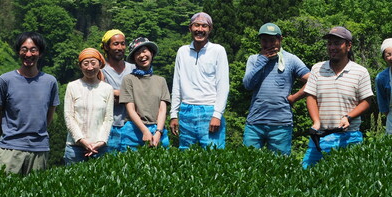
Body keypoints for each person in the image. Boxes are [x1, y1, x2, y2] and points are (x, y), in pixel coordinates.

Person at [302, 26, 373, 169]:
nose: (332, 47)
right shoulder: (317, 68)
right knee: (307, 175)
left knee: (348, 180)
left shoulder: (360, 72)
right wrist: (316, 122)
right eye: (329, 44)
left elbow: (366, 101)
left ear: (348, 46)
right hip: (320, 135)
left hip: (349, 136)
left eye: (337, 43)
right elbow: (311, 97)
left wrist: (349, 117)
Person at [0, 32, 59, 175]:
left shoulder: (50, 82)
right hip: (10, 149)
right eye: (24, 49)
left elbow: (49, 114)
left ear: (40, 53)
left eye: (33, 50)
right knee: (5, 193)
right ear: (18, 52)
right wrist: (7, 134)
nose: (28, 54)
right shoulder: (5, 80)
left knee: (35, 195)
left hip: (39, 149)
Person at [242, 23, 311, 155]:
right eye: (264, 40)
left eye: (272, 40)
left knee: (280, 167)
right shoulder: (254, 59)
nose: (269, 44)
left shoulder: (291, 60)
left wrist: (295, 97)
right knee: (247, 163)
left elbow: (313, 80)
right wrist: (262, 60)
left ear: (280, 39)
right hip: (255, 122)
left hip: (281, 123)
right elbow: (248, 85)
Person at [170, 12, 229, 149]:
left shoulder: (218, 51)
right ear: (190, 28)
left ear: (210, 29)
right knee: (185, 157)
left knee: (213, 155)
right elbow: (176, 84)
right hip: (186, 110)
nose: (200, 29)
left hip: (209, 109)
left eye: (204, 26)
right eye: (196, 25)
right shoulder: (182, 52)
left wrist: (217, 115)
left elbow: (223, 86)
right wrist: (174, 114)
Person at [63, 48, 114, 164]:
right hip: (74, 147)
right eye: (85, 63)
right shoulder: (72, 86)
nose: (90, 67)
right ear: (80, 66)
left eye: (93, 63)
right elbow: (69, 117)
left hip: (100, 148)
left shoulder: (107, 89)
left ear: (100, 64)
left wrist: (101, 141)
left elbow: (108, 118)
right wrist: (81, 140)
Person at [119, 37, 170, 149]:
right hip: (133, 130)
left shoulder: (161, 80)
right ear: (134, 58)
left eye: (144, 51)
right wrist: (145, 131)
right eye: (137, 53)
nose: (142, 55)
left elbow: (162, 110)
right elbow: (130, 110)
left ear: (151, 53)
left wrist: (158, 132)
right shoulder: (128, 79)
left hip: (158, 129)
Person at [100, 29, 135, 152]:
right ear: (106, 47)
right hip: (108, 127)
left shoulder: (133, 68)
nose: (120, 47)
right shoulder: (100, 70)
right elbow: (102, 98)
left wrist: (115, 93)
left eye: (123, 43)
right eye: (115, 44)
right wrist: (127, 95)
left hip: (131, 125)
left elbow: (139, 95)